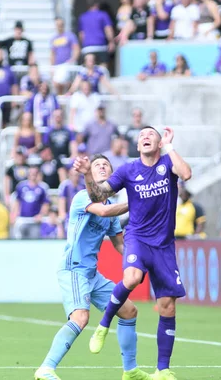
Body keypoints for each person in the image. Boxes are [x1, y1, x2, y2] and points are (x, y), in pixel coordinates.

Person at [75, 126, 192, 380]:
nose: (146, 137)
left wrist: (171, 148)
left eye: (151, 135)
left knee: (167, 306)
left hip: (164, 245)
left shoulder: (167, 163)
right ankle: (104, 324)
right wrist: (87, 175)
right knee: (131, 278)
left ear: (160, 144)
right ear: (137, 147)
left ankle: (162, 370)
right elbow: (100, 194)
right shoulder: (128, 170)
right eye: (141, 136)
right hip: (137, 237)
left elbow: (187, 174)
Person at [34, 155, 151, 380]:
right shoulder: (81, 198)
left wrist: (139, 261)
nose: (102, 167)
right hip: (73, 268)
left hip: (91, 274)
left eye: (106, 165)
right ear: (91, 174)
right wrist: (137, 200)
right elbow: (105, 212)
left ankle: (131, 371)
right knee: (80, 318)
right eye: (97, 165)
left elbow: (119, 244)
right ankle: (46, 368)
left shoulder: (110, 207)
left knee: (128, 311)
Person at [10, 165, 50, 239]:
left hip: (34, 220)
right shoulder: (21, 186)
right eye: (31, 173)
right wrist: (14, 214)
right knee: (19, 240)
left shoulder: (42, 187)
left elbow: (45, 203)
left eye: (35, 174)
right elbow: (17, 201)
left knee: (34, 239)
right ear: (28, 175)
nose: (33, 176)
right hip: (22, 219)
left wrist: (41, 215)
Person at [77, 0, 115, 66]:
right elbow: (108, 29)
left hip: (87, 47)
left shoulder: (82, 17)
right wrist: (111, 42)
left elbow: (81, 34)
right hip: (101, 46)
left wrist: (81, 46)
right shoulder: (103, 15)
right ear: (97, 5)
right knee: (103, 68)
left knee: (88, 69)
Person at [50, 17, 80, 94]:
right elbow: (52, 54)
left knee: (66, 84)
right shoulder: (54, 38)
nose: (60, 26)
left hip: (66, 64)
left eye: (61, 24)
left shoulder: (70, 36)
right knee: (58, 86)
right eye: (58, 24)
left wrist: (72, 60)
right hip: (58, 65)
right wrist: (52, 67)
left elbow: (76, 49)